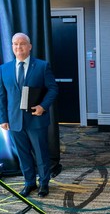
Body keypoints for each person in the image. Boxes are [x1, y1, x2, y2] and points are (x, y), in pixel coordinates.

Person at [0, 33, 58, 197]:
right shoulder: (4, 69)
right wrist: (3, 118)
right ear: (12, 47)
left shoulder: (41, 66)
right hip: (14, 120)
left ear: (30, 46)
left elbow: (53, 89)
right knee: (23, 154)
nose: (19, 47)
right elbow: (2, 95)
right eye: (15, 44)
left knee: (41, 153)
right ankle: (29, 183)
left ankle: (44, 184)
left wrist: (43, 106)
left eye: (22, 44)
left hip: (36, 119)